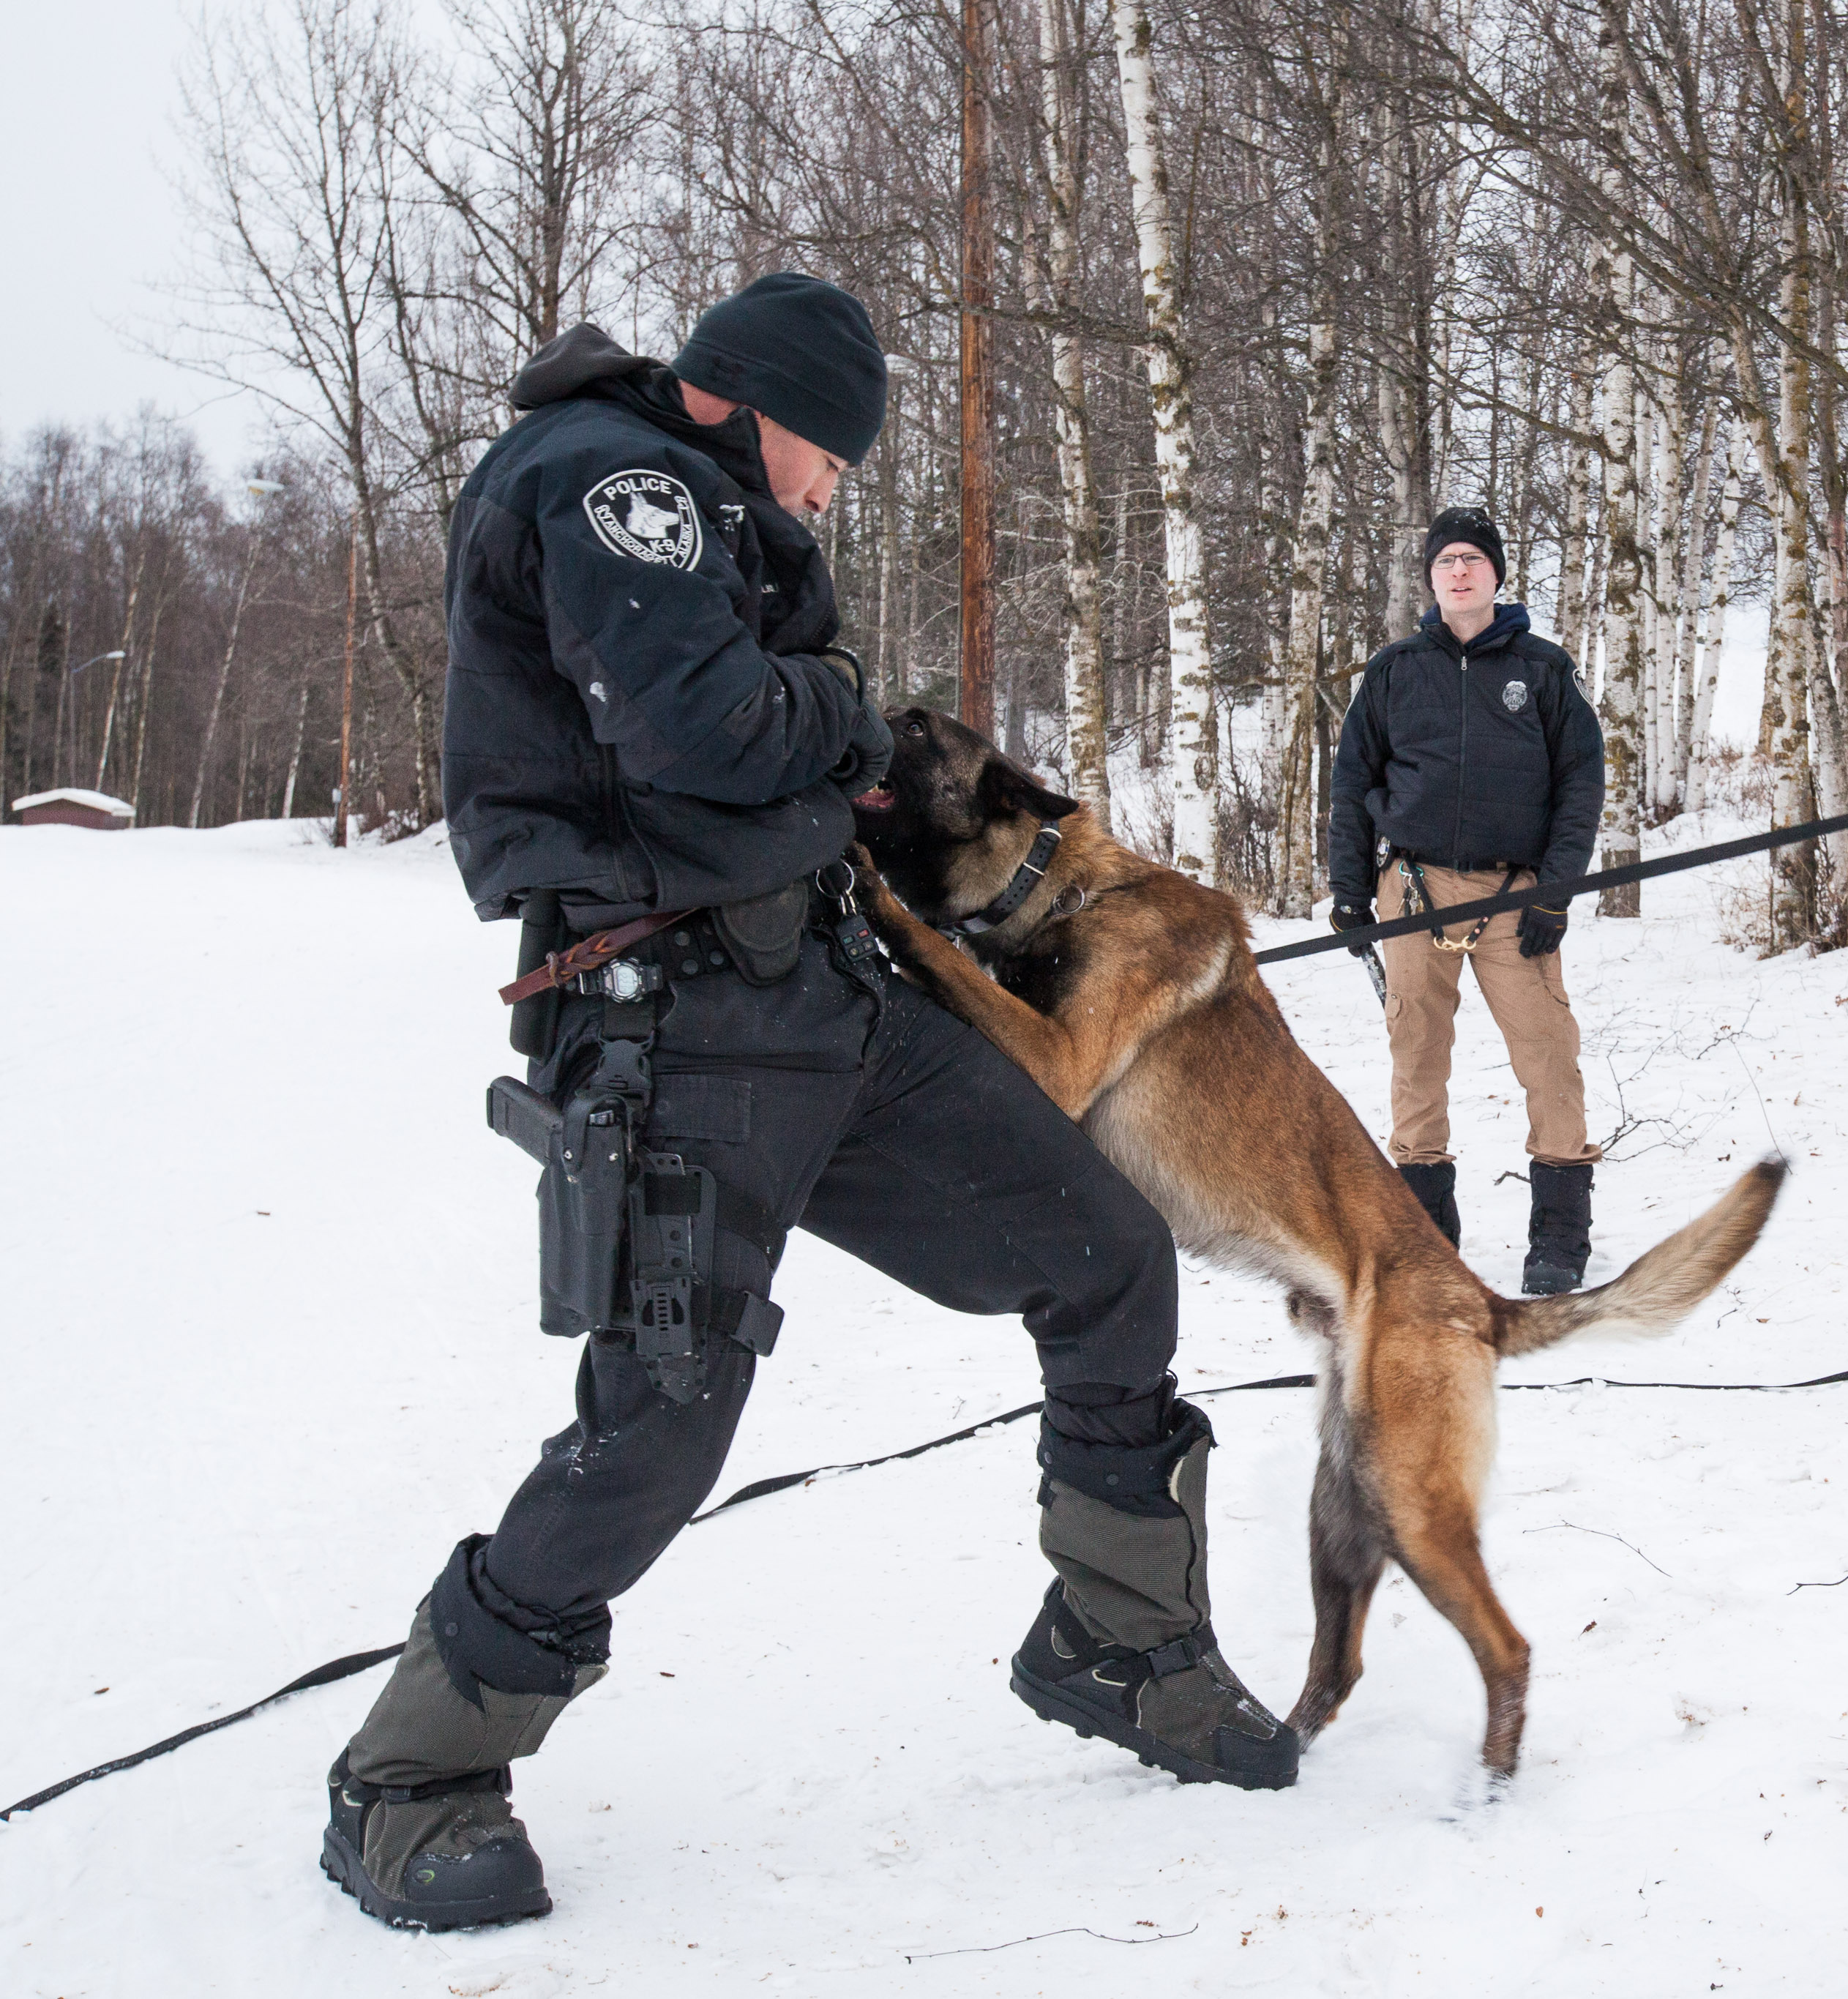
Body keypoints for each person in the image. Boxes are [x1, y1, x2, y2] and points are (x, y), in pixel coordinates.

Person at [325, 274, 1293, 1937]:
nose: (836, 486)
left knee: (1107, 1252)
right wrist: (845, 722)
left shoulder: (711, 515)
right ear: (751, 402)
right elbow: (710, 729)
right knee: (666, 1416)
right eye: (829, 453)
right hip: (673, 1028)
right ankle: (413, 1775)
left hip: (832, 1003)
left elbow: (795, 743)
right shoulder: (604, 482)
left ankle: (1118, 1644)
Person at [1325, 507, 1607, 1295]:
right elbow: (1353, 783)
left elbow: (1580, 785)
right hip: (1412, 888)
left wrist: (1555, 892)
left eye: (1472, 561)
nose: (1458, 572)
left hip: (1514, 892)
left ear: (1496, 575)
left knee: (1547, 1051)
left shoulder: (1543, 671)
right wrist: (1351, 893)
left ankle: (1559, 1231)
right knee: (1415, 1057)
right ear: (1430, 576)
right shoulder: (1392, 670)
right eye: (1445, 560)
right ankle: (1424, 1229)